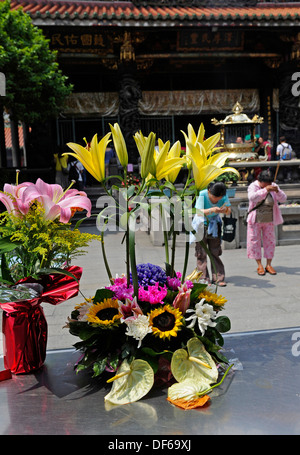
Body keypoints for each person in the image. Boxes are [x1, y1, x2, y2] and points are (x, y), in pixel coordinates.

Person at [247, 169, 287, 276]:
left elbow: (283, 199)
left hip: (269, 219)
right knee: (254, 242)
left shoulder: (273, 185)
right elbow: (252, 197)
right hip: (255, 219)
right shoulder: (253, 186)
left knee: (270, 242)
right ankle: (259, 265)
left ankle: (269, 264)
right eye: (266, 183)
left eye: (270, 182)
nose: (269, 184)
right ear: (260, 181)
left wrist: (277, 191)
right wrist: (265, 190)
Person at [194, 182, 231, 286]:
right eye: (215, 197)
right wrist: (211, 210)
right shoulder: (202, 194)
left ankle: (218, 277)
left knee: (215, 251)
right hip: (202, 225)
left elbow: (229, 210)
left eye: (219, 198)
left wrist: (224, 210)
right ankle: (203, 278)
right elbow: (198, 211)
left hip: (215, 225)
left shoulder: (223, 195)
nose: (217, 200)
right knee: (201, 253)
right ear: (209, 191)